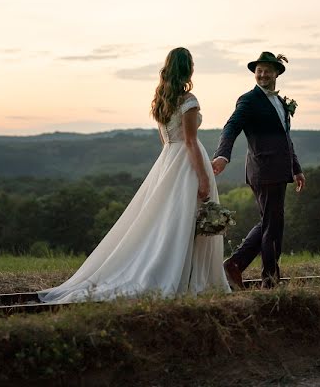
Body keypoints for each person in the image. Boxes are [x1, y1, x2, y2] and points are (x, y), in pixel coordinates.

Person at [38, 47, 231, 303]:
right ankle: (189, 279)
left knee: (171, 223)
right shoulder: (188, 101)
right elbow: (190, 142)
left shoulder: (162, 99)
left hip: (167, 161)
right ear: (188, 69)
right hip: (186, 164)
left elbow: (166, 141)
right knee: (189, 222)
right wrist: (204, 178)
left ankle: (185, 275)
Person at [212, 51, 306, 289]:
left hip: (280, 170)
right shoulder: (248, 100)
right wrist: (223, 154)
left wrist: (296, 168)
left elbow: (286, 138)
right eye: (259, 71)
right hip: (263, 170)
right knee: (273, 224)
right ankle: (269, 279)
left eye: (267, 70)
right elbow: (231, 126)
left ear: (277, 73)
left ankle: (236, 265)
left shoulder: (280, 102)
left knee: (271, 222)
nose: (262, 75)